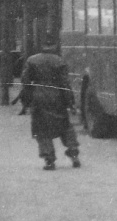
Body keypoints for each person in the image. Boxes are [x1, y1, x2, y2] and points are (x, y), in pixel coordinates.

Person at [21, 37, 80, 170]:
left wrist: (27, 101)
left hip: (39, 96)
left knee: (41, 129)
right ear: (54, 46)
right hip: (57, 96)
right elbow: (65, 84)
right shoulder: (59, 61)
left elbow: (25, 81)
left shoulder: (32, 60)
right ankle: (74, 153)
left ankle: (49, 160)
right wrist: (70, 103)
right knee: (65, 126)